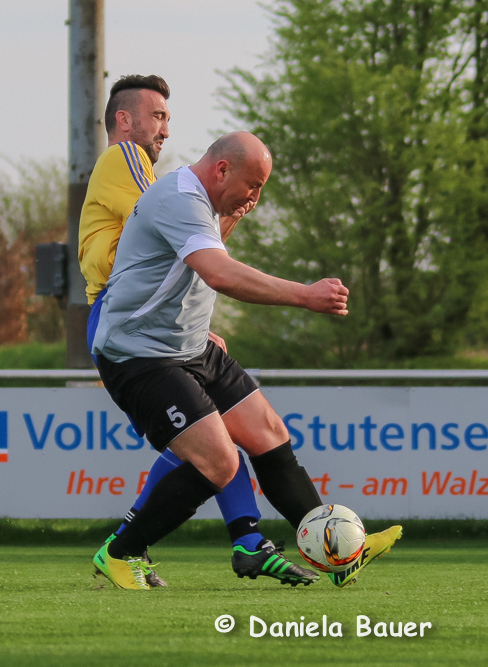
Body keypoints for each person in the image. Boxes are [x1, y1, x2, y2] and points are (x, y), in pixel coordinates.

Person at [90, 131, 401, 590]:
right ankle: (121, 553)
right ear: (222, 170)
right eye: (253, 185)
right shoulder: (179, 198)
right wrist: (306, 295)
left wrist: (231, 216)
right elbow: (219, 274)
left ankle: (337, 553)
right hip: (140, 356)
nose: (256, 196)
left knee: (269, 434)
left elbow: (188, 267)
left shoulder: (201, 202)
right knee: (218, 462)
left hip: (192, 349)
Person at [80, 76, 312, 587]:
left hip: (158, 320)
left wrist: (197, 325)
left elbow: (188, 249)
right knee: (210, 447)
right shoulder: (126, 159)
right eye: (158, 115)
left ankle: (251, 541)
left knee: (213, 440)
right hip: (126, 319)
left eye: (167, 117)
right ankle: (147, 546)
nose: (166, 128)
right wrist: (303, 293)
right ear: (124, 120)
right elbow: (173, 226)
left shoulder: (152, 176)